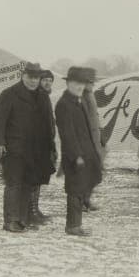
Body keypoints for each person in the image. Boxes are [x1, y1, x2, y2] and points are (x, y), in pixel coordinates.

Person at [0, 62, 46, 232]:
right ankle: (10, 221)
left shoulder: (42, 96)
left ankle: (22, 220)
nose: (33, 81)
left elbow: (48, 124)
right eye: (30, 77)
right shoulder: (9, 94)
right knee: (13, 184)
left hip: (34, 150)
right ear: (23, 76)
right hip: (14, 148)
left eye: (36, 78)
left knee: (28, 184)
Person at [55, 66, 104, 236]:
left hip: (86, 153)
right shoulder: (63, 104)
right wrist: (76, 156)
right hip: (75, 155)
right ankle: (73, 226)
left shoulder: (79, 101)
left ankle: (76, 224)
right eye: (76, 83)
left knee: (82, 187)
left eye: (82, 83)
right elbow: (67, 134)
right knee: (75, 190)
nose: (79, 87)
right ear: (68, 83)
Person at [26, 70, 58, 226]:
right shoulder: (39, 96)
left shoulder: (44, 96)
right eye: (44, 80)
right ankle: (31, 213)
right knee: (34, 179)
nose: (47, 83)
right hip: (37, 145)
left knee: (38, 180)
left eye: (50, 80)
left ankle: (35, 210)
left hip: (43, 144)